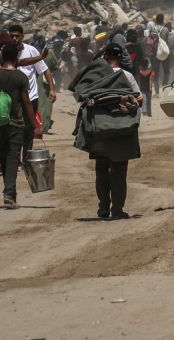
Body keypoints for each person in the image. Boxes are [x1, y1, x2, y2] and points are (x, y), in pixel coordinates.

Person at [72, 43, 144, 220]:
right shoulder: (126, 75)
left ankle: (103, 208)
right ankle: (117, 210)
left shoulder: (95, 75)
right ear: (120, 58)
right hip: (122, 130)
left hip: (99, 130)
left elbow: (82, 96)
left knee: (102, 169)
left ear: (105, 57)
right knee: (119, 170)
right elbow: (138, 99)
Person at [0, 44, 41, 208]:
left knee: (3, 157)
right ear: (16, 59)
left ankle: (9, 191)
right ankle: (10, 194)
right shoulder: (20, 77)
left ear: (3, 57)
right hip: (15, 124)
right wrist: (34, 125)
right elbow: (26, 101)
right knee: (13, 157)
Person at [5, 24, 54, 131]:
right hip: (11, 98)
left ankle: (27, 147)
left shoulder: (31, 50)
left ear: (22, 37)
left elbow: (45, 69)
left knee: (28, 129)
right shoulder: (5, 52)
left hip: (31, 97)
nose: (14, 39)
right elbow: (20, 62)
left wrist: (52, 89)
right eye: (12, 36)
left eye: (17, 36)